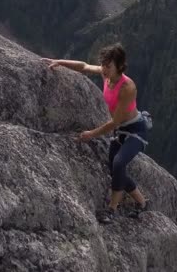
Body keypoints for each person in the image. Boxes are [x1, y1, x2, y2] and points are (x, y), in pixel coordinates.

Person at [41, 43, 149, 224]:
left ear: (120, 66)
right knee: (115, 169)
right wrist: (59, 61)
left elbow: (115, 121)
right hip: (121, 130)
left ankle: (111, 210)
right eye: (103, 65)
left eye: (108, 66)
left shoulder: (127, 87)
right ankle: (142, 202)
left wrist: (91, 134)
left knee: (119, 163)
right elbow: (83, 67)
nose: (104, 69)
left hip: (135, 130)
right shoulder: (107, 75)